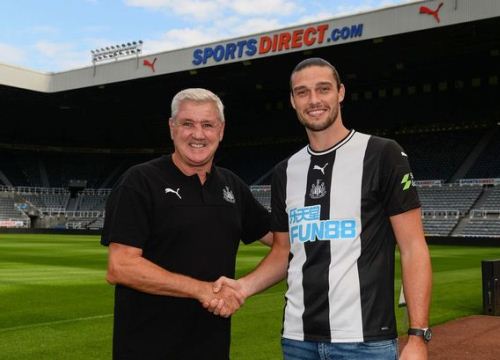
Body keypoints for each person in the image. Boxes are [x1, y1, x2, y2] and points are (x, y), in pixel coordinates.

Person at [209, 58, 432, 360]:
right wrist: (242, 287)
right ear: (292, 101)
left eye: (323, 89)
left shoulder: (382, 154)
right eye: (302, 92)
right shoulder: (285, 171)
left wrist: (418, 335)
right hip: (298, 340)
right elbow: (281, 253)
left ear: (340, 92)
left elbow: (413, 247)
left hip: (364, 342)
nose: (313, 100)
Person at [101, 88, 272, 360]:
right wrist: (202, 290)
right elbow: (120, 267)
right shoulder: (140, 181)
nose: (198, 134)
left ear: (221, 130)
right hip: (146, 349)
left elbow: (282, 240)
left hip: (212, 349)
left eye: (207, 125)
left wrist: (244, 287)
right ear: (172, 128)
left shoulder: (232, 186)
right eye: (187, 124)